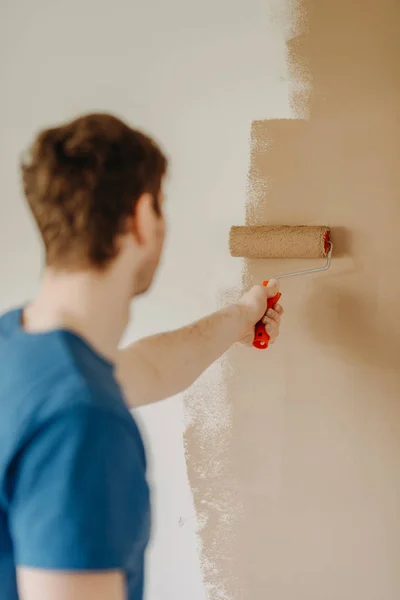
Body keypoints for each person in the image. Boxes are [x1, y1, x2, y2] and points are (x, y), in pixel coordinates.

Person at [0, 113, 283, 600]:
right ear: (143, 217)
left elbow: (145, 369)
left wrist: (240, 317)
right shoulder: (82, 421)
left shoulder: (18, 345)